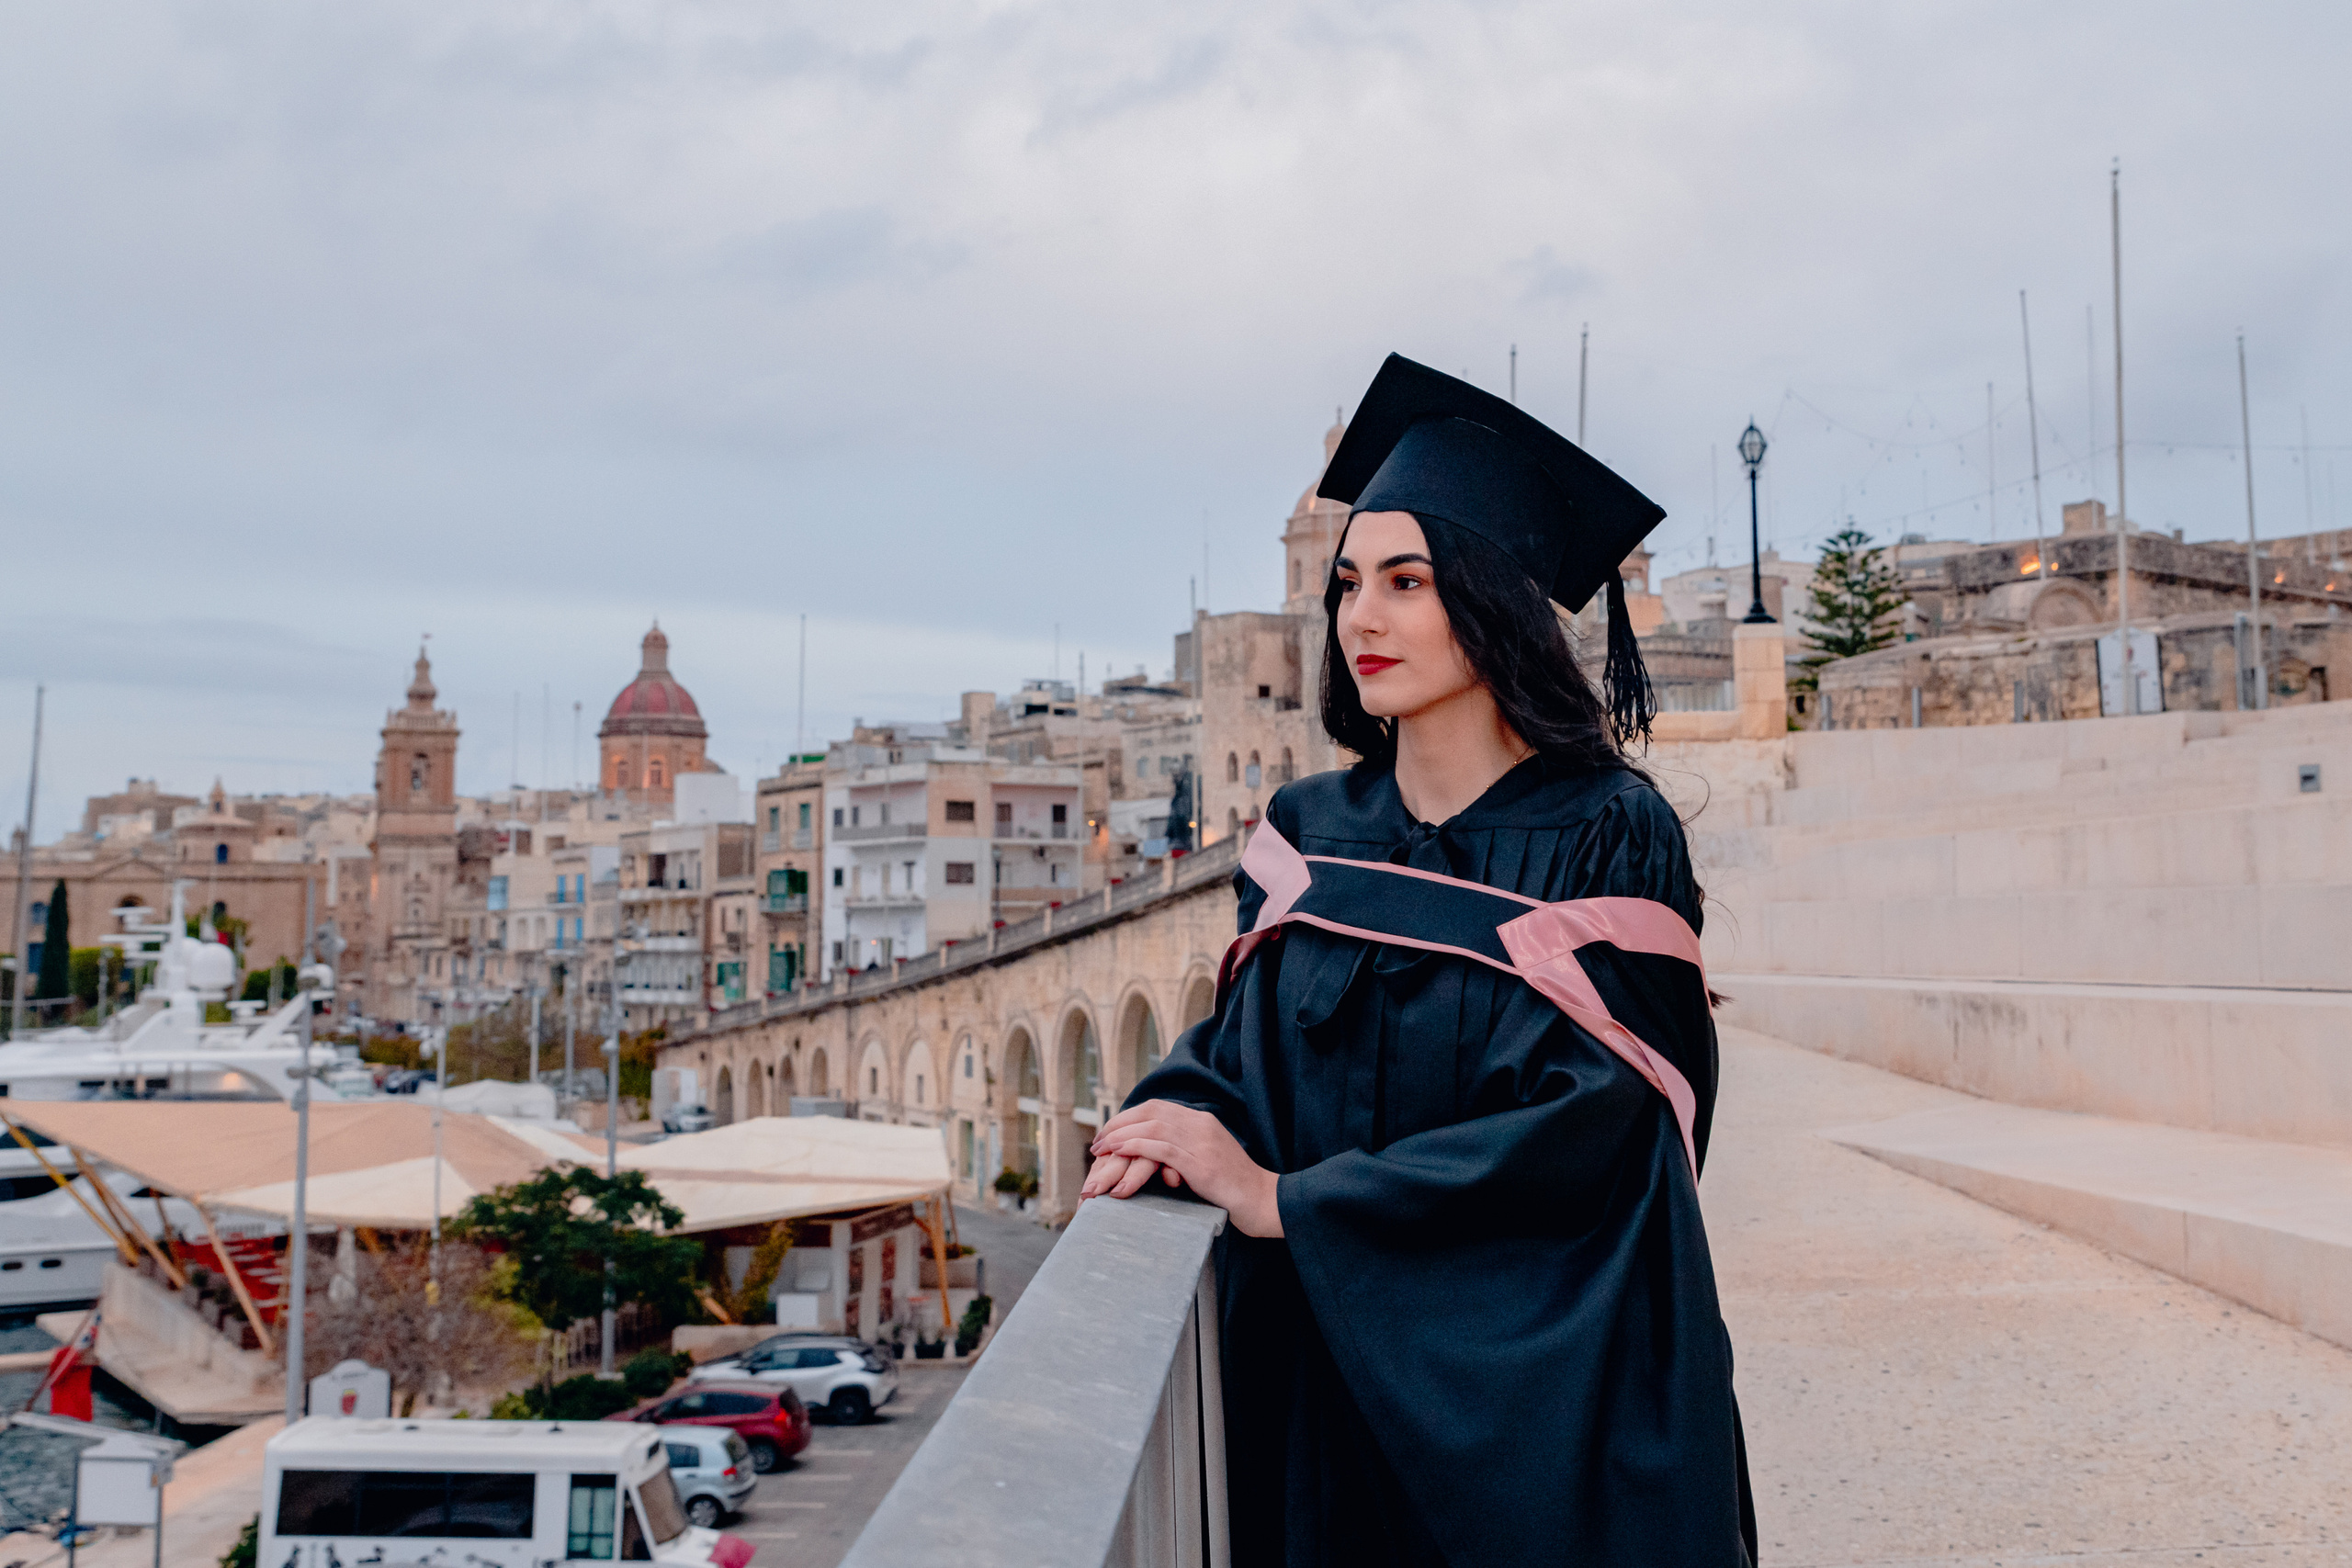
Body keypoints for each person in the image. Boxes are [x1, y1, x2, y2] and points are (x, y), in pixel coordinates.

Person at [1083, 355, 1757, 1565]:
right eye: (1347, 585)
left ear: (1494, 598)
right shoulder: (1306, 836)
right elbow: (1247, 1060)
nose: (1362, 620)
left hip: (1552, 1428)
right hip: (1327, 1414)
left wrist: (1285, 1201)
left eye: (1407, 581)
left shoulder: (1607, 833)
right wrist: (1173, 1111)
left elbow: (1594, 1139)